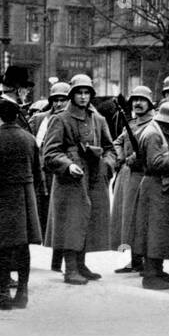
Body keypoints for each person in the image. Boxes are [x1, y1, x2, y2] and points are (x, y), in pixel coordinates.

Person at [42, 74, 117, 285]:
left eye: (87, 93)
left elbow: (110, 148)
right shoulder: (60, 119)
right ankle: (71, 269)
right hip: (70, 180)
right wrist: (68, 164)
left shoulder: (98, 119)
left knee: (88, 220)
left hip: (94, 176)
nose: (83, 97)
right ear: (72, 95)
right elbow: (50, 153)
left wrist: (106, 165)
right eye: (79, 93)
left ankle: (81, 265)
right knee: (71, 222)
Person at [0, 98, 44, 310]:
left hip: (3, 197)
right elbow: (38, 172)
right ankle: (22, 293)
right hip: (26, 197)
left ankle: (4, 294)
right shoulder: (29, 138)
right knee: (23, 246)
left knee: (2, 247)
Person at [133, 101, 169, 290]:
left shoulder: (158, 131)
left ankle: (157, 270)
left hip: (161, 187)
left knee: (160, 232)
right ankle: (150, 275)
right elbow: (155, 163)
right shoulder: (153, 135)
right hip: (156, 187)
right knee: (154, 232)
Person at [110, 85, 155, 275]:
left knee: (142, 219)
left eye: (142, 100)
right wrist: (121, 157)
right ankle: (134, 260)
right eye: (135, 100)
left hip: (143, 175)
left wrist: (137, 157)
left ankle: (148, 261)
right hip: (127, 176)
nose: (137, 103)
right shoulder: (131, 124)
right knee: (128, 219)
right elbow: (118, 141)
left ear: (150, 103)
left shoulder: (154, 124)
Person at [31, 81, 70, 271]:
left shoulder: (71, 120)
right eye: (56, 100)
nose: (59, 104)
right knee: (37, 216)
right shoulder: (40, 119)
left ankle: (58, 262)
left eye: (63, 99)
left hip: (60, 174)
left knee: (60, 218)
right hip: (40, 175)